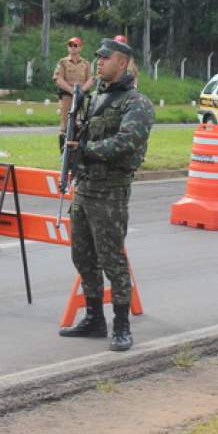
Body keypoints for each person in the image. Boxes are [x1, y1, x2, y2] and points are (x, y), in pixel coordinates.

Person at [59, 38, 155, 352]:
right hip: (85, 187)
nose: (99, 63)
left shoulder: (135, 102)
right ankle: (95, 318)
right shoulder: (93, 96)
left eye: (106, 59)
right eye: (98, 59)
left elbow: (127, 142)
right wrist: (69, 142)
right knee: (83, 257)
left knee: (113, 261)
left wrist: (86, 150)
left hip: (110, 191)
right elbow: (80, 132)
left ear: (123, 63)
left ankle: (122, 325)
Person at [52, 37, 94, 149]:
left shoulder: (86, 63)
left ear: (80, 47)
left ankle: (78, 151)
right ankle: (63, 152)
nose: (72, 48)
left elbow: (91, 79)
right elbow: (58, 79)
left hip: (81, 97)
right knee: (65, 125)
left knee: (81, 124)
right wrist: (71, 90)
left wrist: (82, 90)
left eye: (75, 45)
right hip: (67, 97)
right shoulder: (63, 62)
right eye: (70, 45)